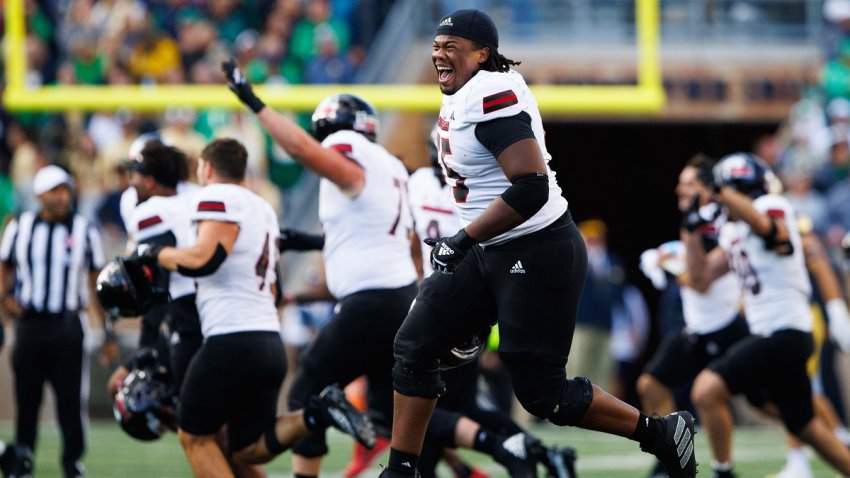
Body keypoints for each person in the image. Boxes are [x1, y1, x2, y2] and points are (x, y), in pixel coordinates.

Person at [380, 9, 696, 478]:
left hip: (535, 247)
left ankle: (659, 433)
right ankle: (402, 471)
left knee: (544, 394)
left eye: (451, 47)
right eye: (435, 47)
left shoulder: (489, 93)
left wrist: (464, 237)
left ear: (482, 54)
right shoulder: (468, 90)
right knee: (414, 346)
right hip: (491, 248)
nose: (439, 56)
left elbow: (531, 186)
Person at [127, 138, 374, 477]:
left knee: (194, 436)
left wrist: (155, 254)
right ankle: (317, 413)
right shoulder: (262, 209)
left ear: (208, 168)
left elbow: (204, 259)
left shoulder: (218, 196)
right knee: (247, 448)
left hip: (230, 338)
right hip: (268, 340)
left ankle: (320, 410)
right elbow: (274, 285)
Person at [686, 152, 850, 478]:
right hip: (771, 334)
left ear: (736, 188)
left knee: (706, 389)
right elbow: (701, 278)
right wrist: (689, 231)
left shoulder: (772, 207)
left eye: (723, 191)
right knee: (804, 425)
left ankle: (723, 472)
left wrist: (722, 190)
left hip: (785, 330)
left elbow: (770, 231)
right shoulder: (734, 232)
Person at [636, 155, 749, 478]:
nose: (679, 189)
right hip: (697, 328)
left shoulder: (719, 222)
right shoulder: (694, 219)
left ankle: (830, 437)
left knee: (774, 402)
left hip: (727, 325)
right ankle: (670, 455)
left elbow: (699, 280)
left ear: (707, 189)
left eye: (688, 183)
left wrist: (675, 265)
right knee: (651, 384)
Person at [0, 165, 116, 478]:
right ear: (39, 194)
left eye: (65, 190)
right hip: (30, 323)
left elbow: (96, 284)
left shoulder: (84, 230)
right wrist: (6, 299)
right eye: (55, 191)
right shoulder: (19, 227)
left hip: (67, 324)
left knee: (70, 399)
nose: (62, 197)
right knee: (27, 398)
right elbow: (4, 266)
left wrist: (107, 332)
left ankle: (72, 461)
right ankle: (23, 458)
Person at [106, 139, 202, 398]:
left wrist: (146, 346)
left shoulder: (151, 211)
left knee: (191, 416)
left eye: (135, 175)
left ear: (149, 181)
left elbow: (157, 284)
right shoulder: (197, 197)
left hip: (186, 314)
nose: (131, 182)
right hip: (218, 309)